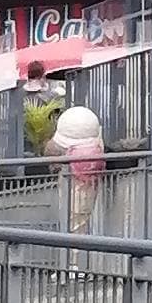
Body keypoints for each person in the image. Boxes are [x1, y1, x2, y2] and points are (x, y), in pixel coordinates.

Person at [45, 105, 105, 271]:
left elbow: (50, 151)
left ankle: (74, 265)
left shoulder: (77, 148)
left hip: (76, 181)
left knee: (75, 222)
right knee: (76, 222)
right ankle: (73, 264)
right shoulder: (95, 147)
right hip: (81, 182)